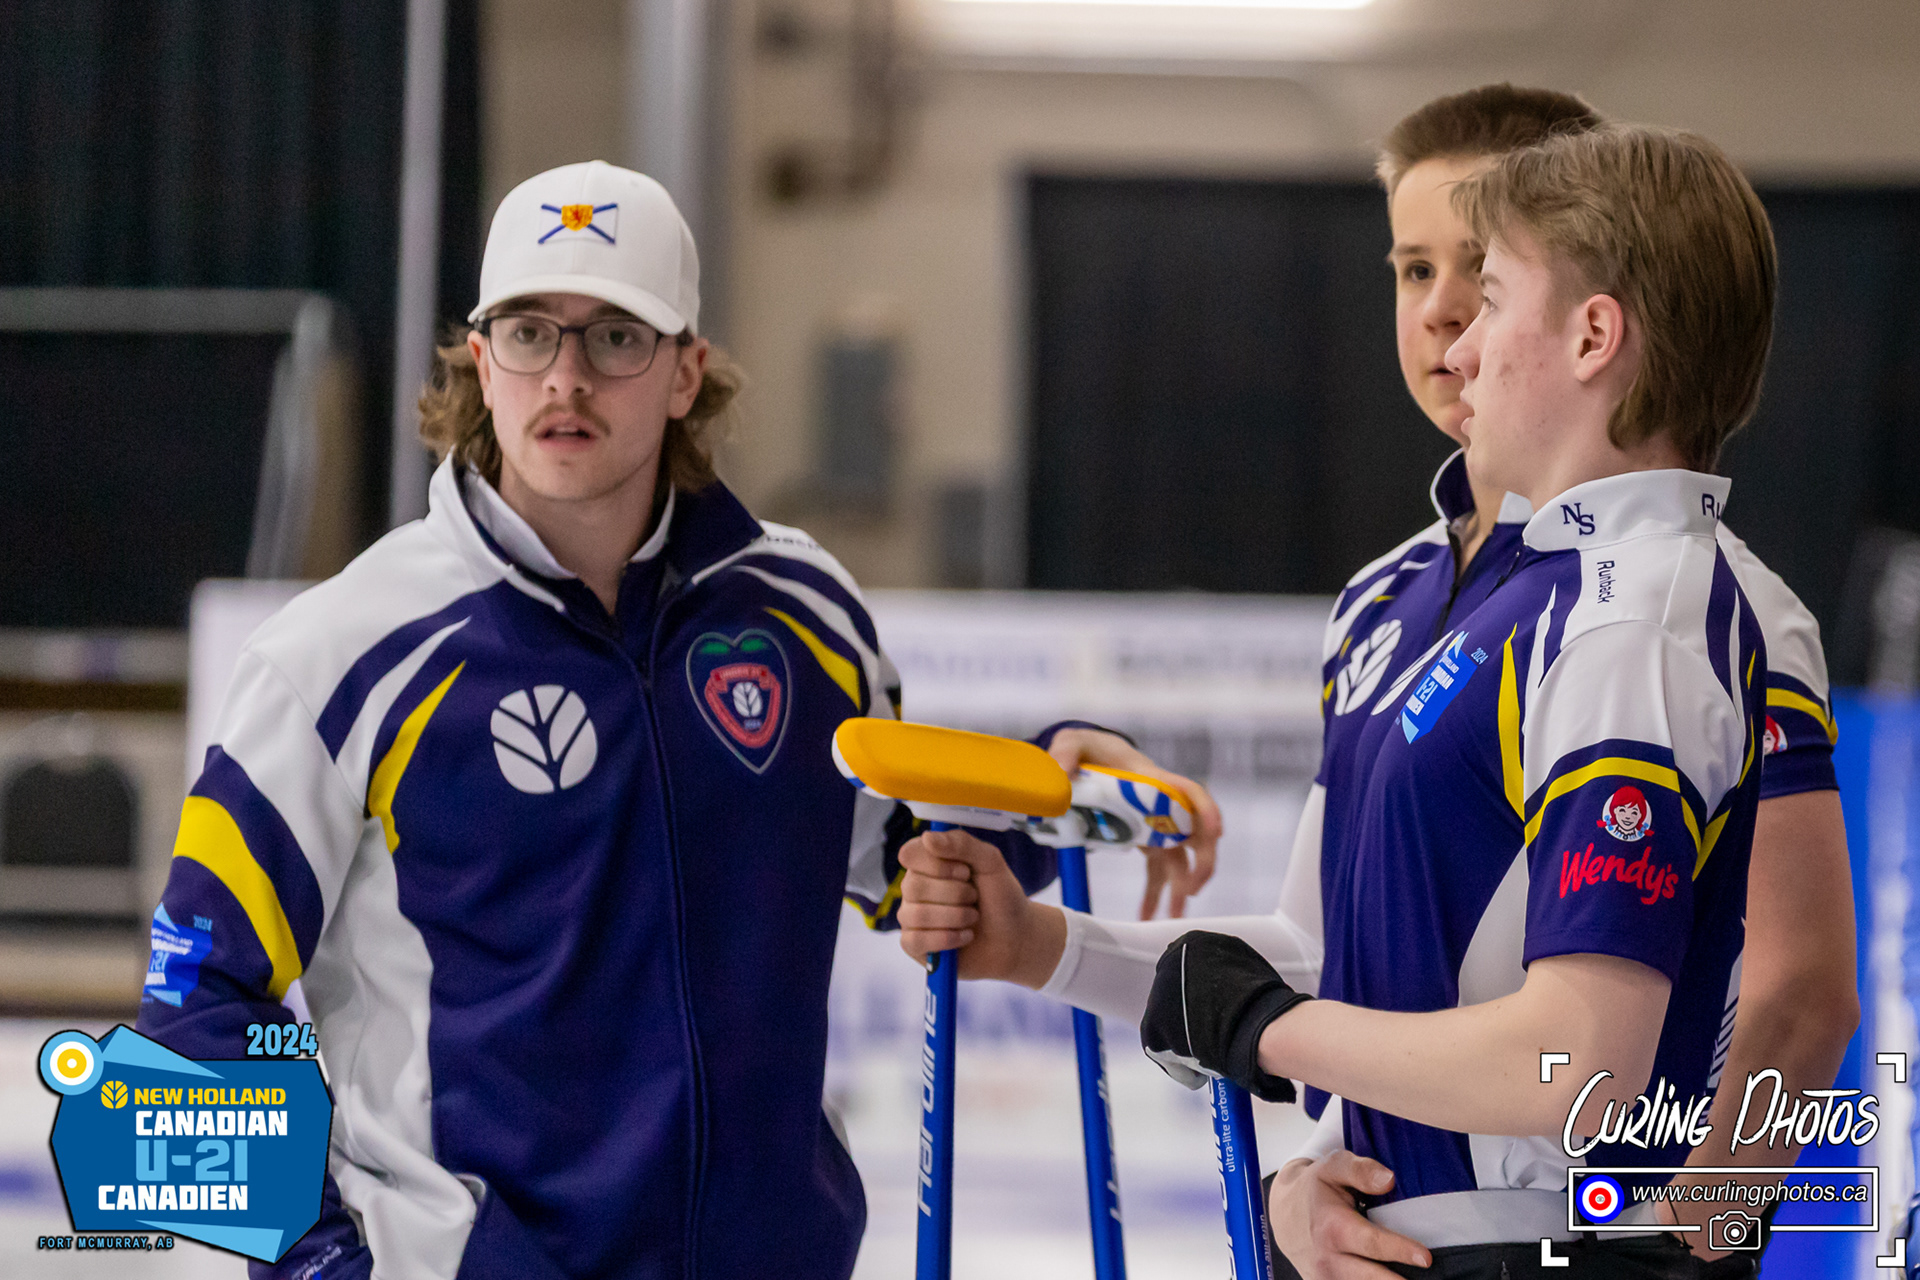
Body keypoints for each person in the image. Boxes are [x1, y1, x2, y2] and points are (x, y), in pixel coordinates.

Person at [135, 160, 1199, 1280]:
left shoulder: (805, 615)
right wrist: (317, 1265)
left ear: (687, 372)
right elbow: (190, 1005)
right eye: (530, 333)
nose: (568, 377)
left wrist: (1049, 777)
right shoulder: (340, 654)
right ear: (480, 362)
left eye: (616, 338)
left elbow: (896, 856)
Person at [898, 88, 1853, 1278]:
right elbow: (1334, 954)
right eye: (1414, 268)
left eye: (1482, 274)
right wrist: (1048, 945)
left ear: (1593, 323)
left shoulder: (1691, 597)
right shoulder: (1392, 599)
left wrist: (1684, 1240)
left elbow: (1794, 992)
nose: (1446, 318)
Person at [1137, 122, 1778, 1277]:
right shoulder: (1547, 590)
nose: (1461, 348)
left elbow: (1582, 1063)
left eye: (1492, 299)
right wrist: (1311, 1175)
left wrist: (1266, 1027)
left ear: (1593, 335)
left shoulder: (1628, 618)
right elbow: (1399, 970)